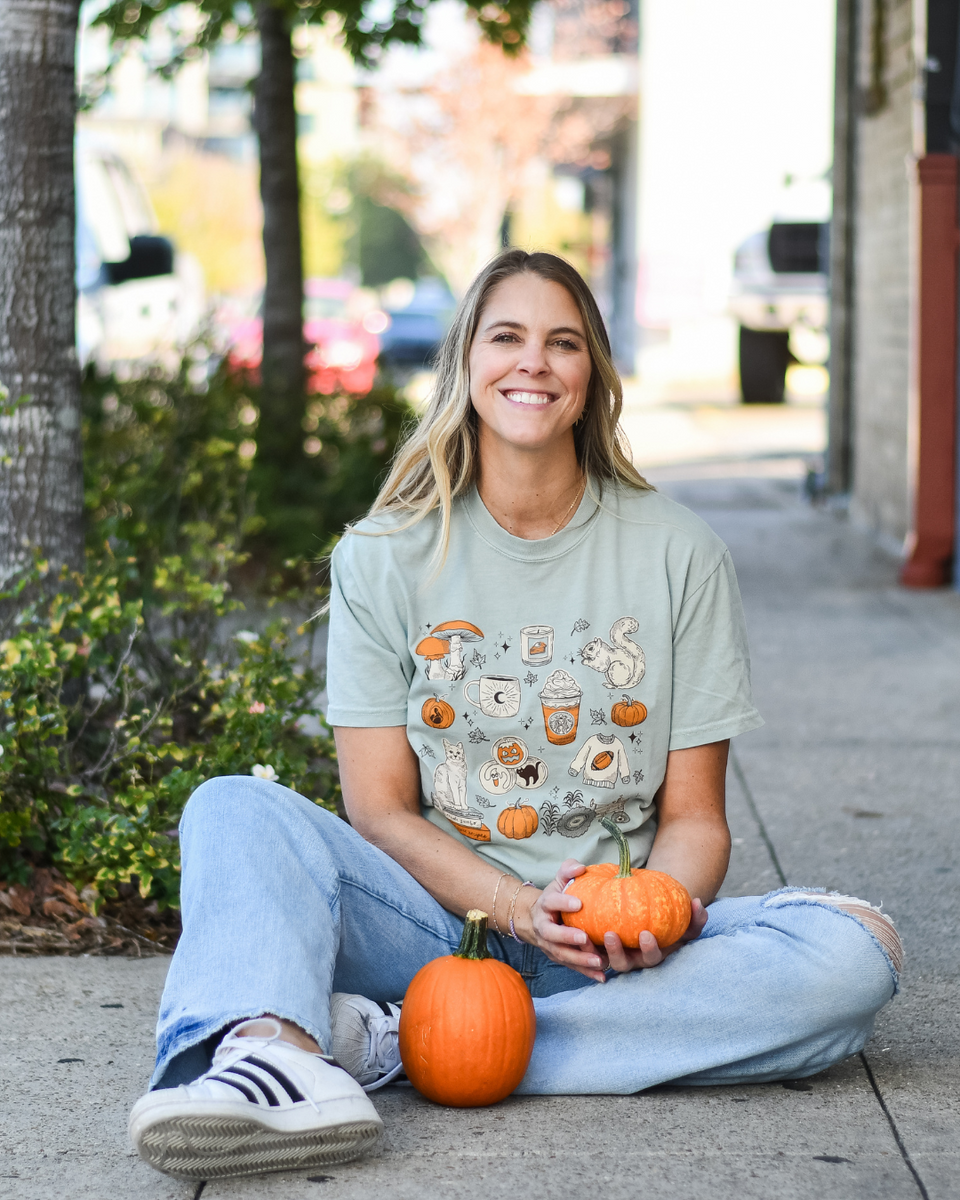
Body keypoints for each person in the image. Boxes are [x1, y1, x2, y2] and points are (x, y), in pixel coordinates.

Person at [128, 251, 902, 1182]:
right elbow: (380, 812)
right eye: (507, 337)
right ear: (465, 364)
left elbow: (696, 819)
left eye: (562, 343)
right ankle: (276, 1054)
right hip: (430, 928)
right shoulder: (382, 556)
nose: (533, 363)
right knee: (231, 807)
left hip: (614, 951)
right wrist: (521, 912)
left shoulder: (679, 554)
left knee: (854, 955)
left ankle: (391, 1047)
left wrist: (649, 913)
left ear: (593, 378)